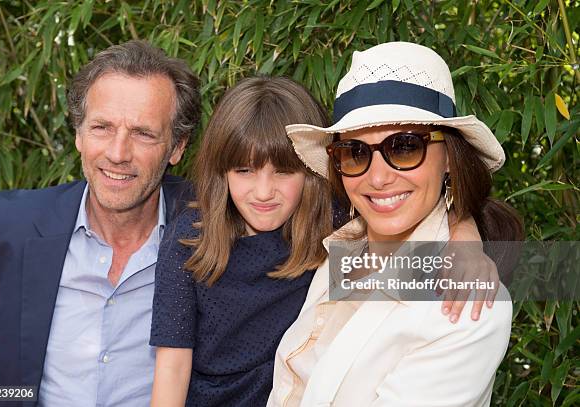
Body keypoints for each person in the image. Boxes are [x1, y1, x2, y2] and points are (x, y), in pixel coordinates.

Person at [149, 77, 498, 407]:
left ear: (310, 173)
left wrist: (465, 234)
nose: (263, 191)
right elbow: (172, 366)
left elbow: (423, 201)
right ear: (220, 171)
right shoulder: (190, 238)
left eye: (284, 171)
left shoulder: (332, 225)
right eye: (244, 171)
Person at [268, 42, 524, 406]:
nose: (377, 178)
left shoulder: (469, 305)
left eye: (404, 148)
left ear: (449, 157)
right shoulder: (344, 242)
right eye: (354, 153)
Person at [0, 40, 200, 407]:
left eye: (143, 133)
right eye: (102, 127)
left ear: (177, 147)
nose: (118, 153)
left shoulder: (214, 227)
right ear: (78, 133)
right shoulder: (5, 224)